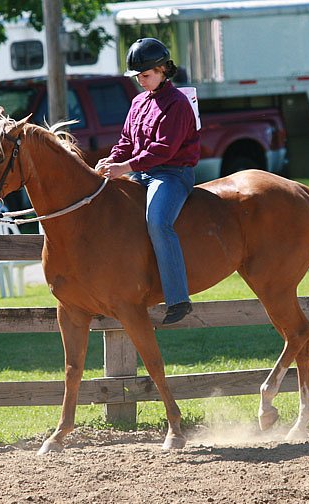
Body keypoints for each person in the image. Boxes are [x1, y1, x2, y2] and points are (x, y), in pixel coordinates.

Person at [95, 38, 201, 325]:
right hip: (141, 172)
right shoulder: (138, 101)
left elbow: (163, 150)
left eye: (145, 75)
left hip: (171, 174)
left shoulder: (178, 103)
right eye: (138, 76)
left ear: (163, 69)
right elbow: (127, 141)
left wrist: (124, 167)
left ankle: (178, 298)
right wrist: (111, 161)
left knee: (157, 222)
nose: (141, 81)